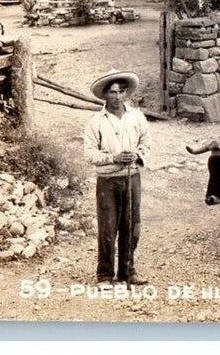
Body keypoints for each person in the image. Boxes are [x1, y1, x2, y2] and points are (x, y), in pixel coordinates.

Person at [83, 69, 151, 286]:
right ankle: (104, 275)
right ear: (105, 95)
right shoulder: (96, 122)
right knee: (108, 227)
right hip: (108, 181)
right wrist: (114, 157)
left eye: (121, 91)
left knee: (132, 226)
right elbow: (90, 154)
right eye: (112, 92)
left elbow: (146, 143)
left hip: (132, 177)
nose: (118, 96)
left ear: (126, 93)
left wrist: (137, 155)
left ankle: (128, 271)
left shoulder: (136, 117)